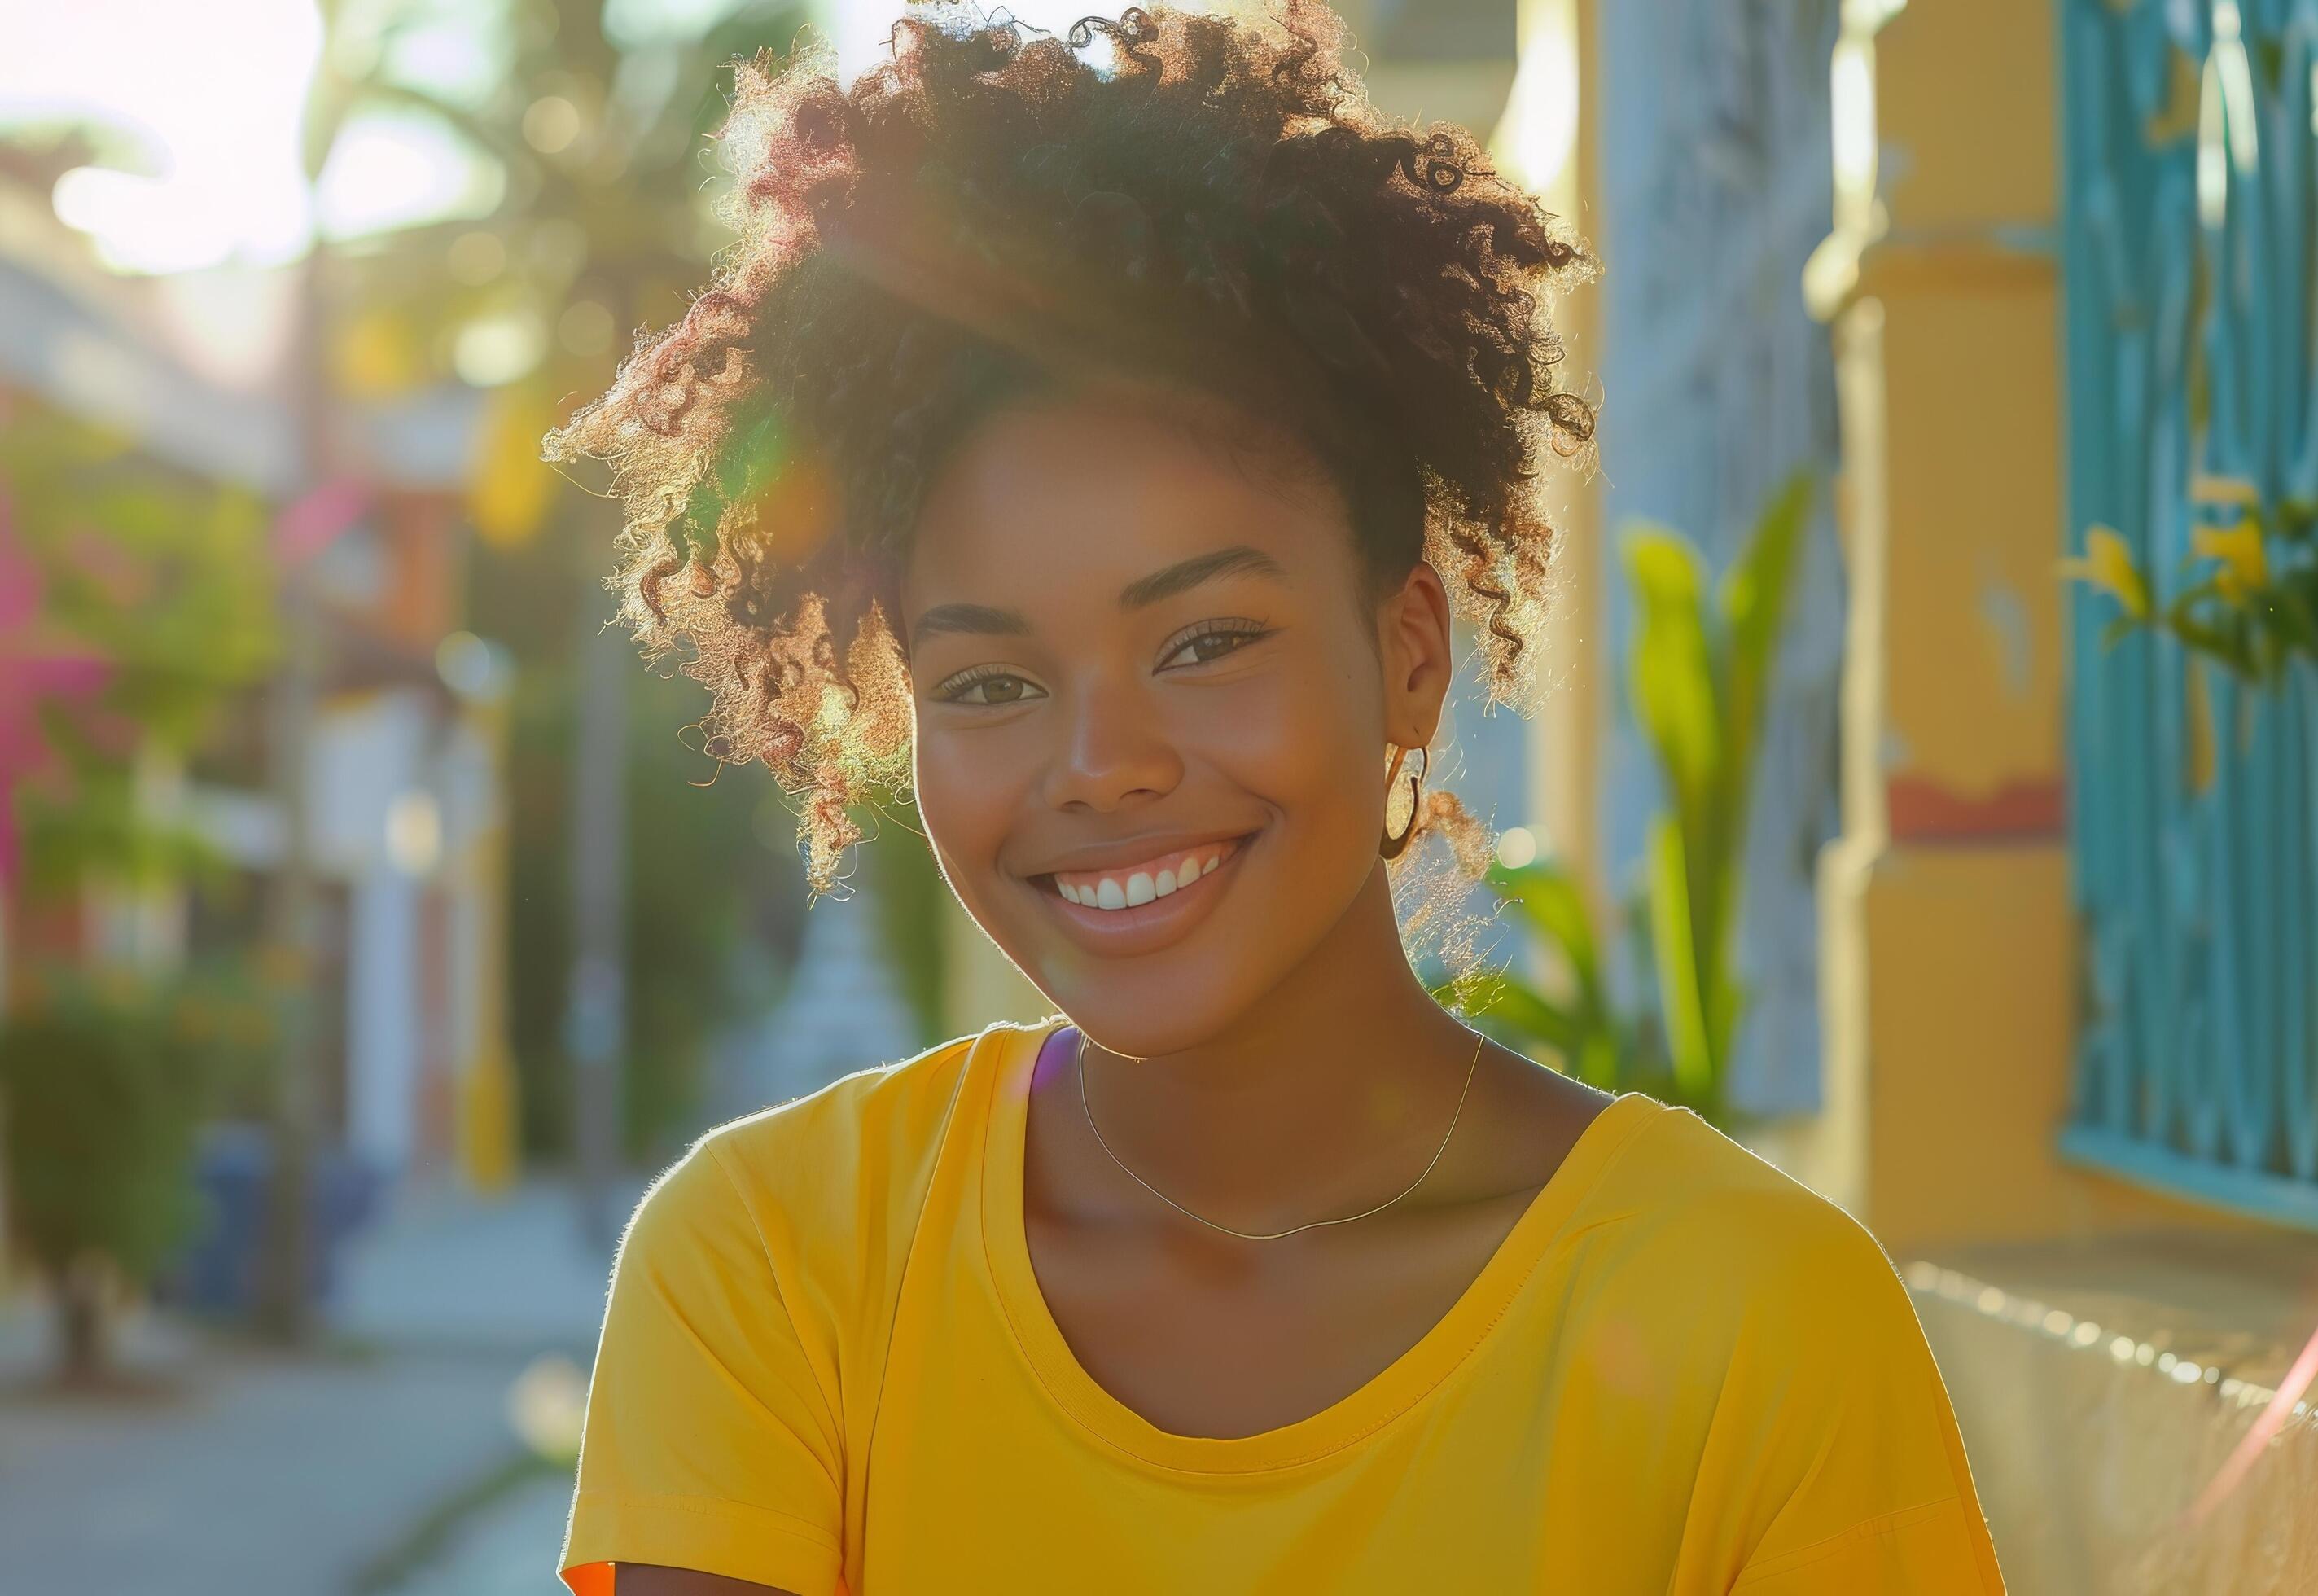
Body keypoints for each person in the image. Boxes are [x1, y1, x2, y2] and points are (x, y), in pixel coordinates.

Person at [546, 4, 2008, 1592]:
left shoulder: (1761, 1323)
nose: (1100, 759)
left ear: (1410, 652)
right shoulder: (776, 1267)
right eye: (988, 681)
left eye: (1207, 640)